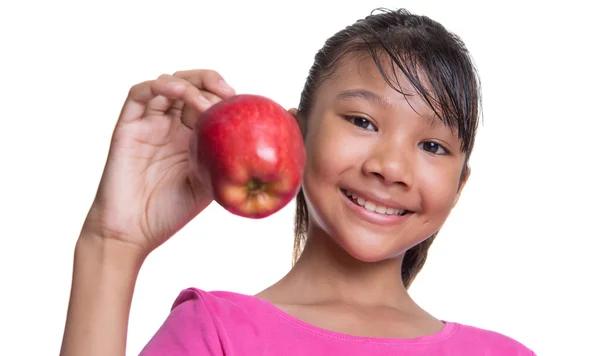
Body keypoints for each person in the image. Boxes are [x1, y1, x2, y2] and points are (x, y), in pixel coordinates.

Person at [59, 8, 536, 356]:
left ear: (459, 186)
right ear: (295, 134)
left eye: (433, 146)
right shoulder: (216, 334)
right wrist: (112, 244)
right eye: (362, 121)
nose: (390, 167)